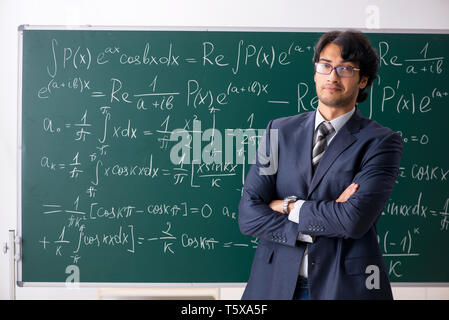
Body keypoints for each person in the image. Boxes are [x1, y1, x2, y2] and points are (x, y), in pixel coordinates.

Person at [238, 30, 403, 300]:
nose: (333, 76)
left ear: (363, 80)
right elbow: (248, 214)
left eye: (345, 69)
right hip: (274, 285)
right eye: (325, 65)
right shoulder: (278, 131)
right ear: (315, 72)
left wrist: (289, 206)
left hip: (344, 288)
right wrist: (313, 226)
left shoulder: (382, 142)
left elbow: (352, 220)